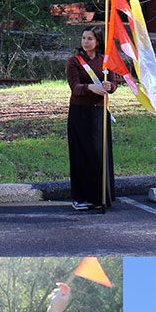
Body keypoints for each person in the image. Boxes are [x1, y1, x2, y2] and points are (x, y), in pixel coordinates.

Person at [65, 27, 117, 211]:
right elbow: (75, 87)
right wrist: (89, 88)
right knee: (81, 154)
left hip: (100, 113)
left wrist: (109, 86)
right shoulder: (74, 61)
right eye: (84, 38)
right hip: (80, 113)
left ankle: (100, 196)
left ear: (98, 42)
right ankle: (79, 197)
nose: (86, 42)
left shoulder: (105, 61)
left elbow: (113, 84)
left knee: (99, 155)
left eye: (90, 39)